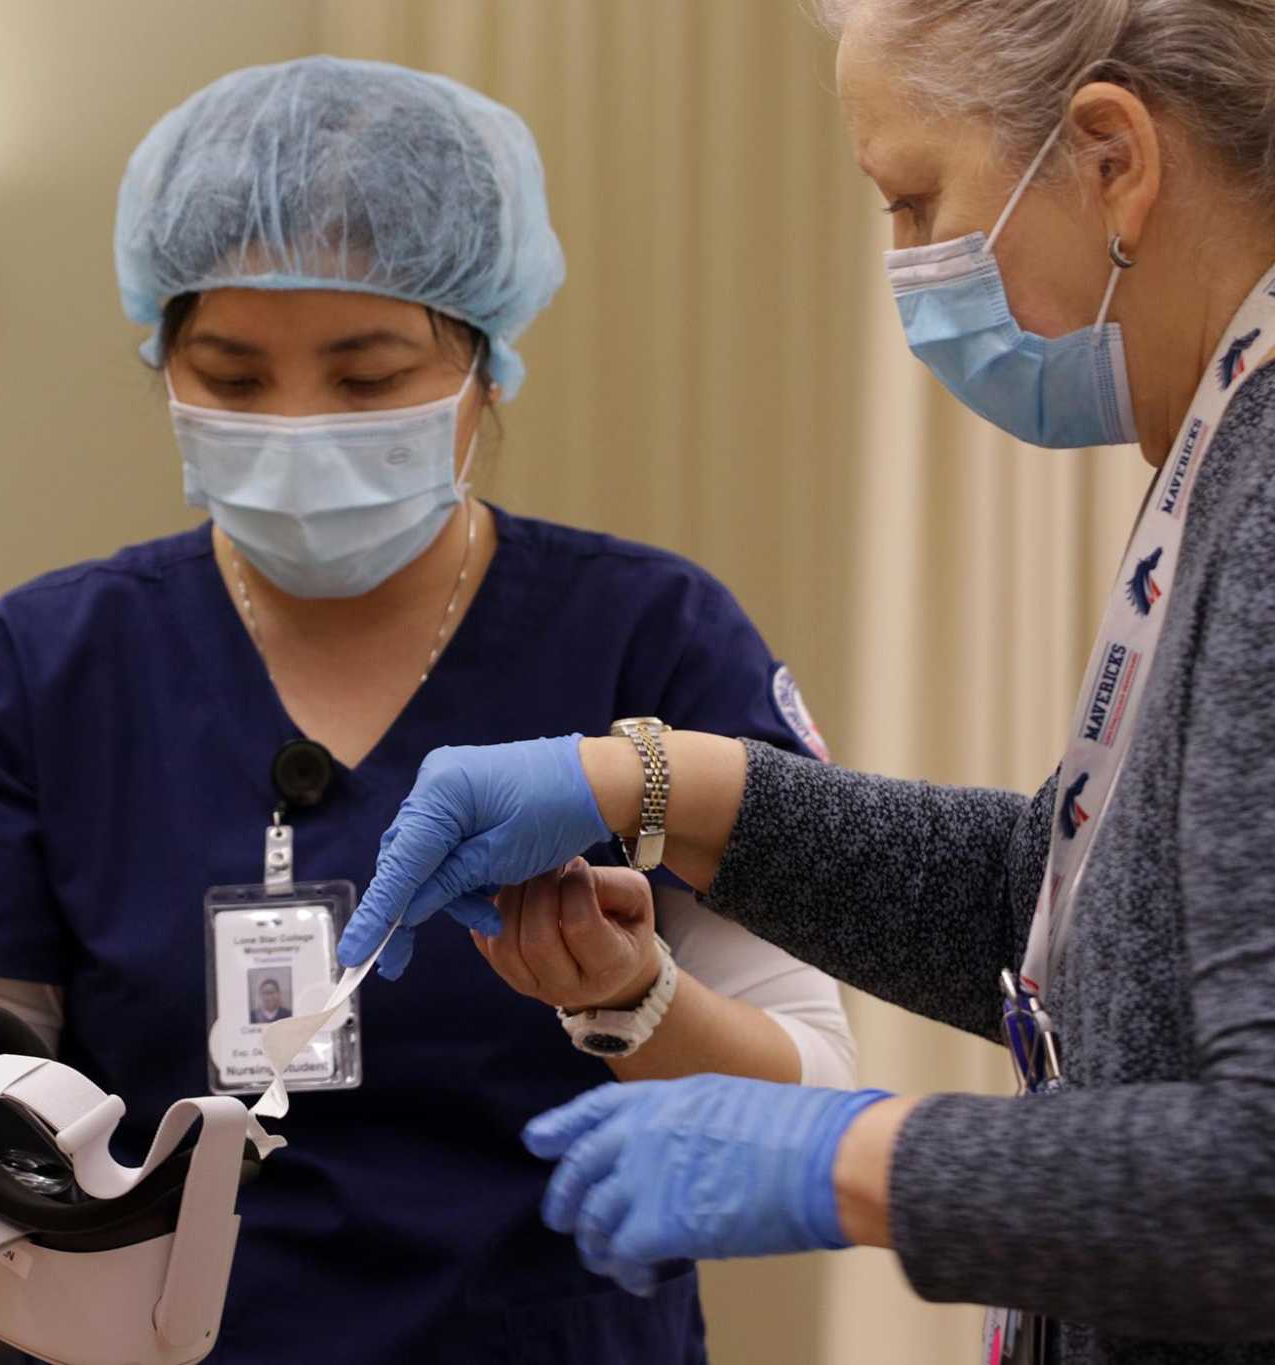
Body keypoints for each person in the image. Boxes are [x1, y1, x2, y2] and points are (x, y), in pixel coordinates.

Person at [0, 56, 857, 1364]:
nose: (299, 425)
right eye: (234, 377)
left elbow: (817, 1093)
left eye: (369, 377)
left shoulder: (649, 640)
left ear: (488, 364)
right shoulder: (54, 662)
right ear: (160, 355)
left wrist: (634, 998)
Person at [339, 3, 1275, 1362]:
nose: (909, 269)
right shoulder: (1232, 443)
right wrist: (656, 784)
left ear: (1111, 156)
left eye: (916, 201)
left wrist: (862, 1158)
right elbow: (1083, 920)